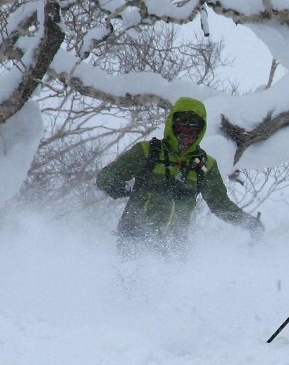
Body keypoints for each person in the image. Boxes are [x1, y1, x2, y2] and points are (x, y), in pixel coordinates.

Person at [97, 97, 264, 258]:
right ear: (172, 125)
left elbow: (220, 204)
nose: (187, 136)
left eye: (193, 130)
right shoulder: (148, 152)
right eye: (182, 128)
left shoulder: (204, 166)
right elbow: (105, 176)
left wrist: (249, 223)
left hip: (174, 249)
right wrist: (115, 186)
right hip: (134, 240)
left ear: (201, 131)